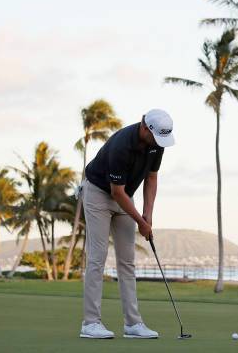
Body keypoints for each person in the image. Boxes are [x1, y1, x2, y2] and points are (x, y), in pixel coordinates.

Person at [79, 109, 175, 339]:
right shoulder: (121, 144)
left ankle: (133, 324)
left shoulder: (157, 144)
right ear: (144, 126)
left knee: (127, 261)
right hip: (98, 194)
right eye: (155, 137)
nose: (157, 142)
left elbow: (151, 179)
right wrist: (140, 222)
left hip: (125, 196)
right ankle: (90, 323)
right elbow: (116, 192)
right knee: (97, 257)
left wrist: (148, 216)